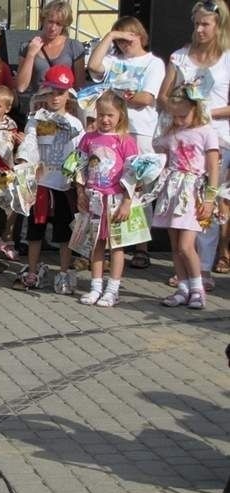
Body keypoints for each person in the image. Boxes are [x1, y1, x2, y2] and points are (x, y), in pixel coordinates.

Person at [157, 0, 230, 291]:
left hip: (217, 139)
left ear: (218, 25)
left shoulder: (227, 58)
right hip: (183, 142)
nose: (199, 29)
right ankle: (185, 270)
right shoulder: (180, 57)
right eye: (196, 23)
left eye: (205, 24)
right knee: (182, 203)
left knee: (206, 204)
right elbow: (163, 96)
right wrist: (180, 112)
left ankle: (203, 268)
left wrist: (203, 114)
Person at [87, 15, 166, 270]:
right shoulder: (114, 61)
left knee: (138, 188)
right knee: (109, 184)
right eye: (118, 40)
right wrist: (110, 37)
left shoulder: (153, 63)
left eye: (126, 39)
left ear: (138, 36)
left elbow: (145, 97)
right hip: (112, 132)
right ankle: (110, 243)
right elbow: (94, 65)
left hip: (139, 130)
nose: (123, 45)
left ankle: (141, 247)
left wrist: (117, 96)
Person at [12, 65, 84, 292]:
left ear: (68, 94)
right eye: (51, 92)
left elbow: (79, 153)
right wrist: (25, 163)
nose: (55, 97)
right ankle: (32, 271)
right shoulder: (36, 119)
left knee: (64, 232)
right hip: (41, 183)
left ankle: (63, 272)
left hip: (63, 185)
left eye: (60, 93)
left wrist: (78, 179)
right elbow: (30, 143)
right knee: (36, 230)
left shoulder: (75, 123)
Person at [153, 86, 219, 309]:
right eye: (175, 115)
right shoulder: (171, 133)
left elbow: (213, 168)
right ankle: (182, 287)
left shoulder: (206, 131)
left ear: (195, 108)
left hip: (192, 192)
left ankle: (198, 287)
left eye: (183, 115)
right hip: (172, 190)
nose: (179, 120)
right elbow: (160, 155)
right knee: (175, 244)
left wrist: (210, 199)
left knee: (186, 245)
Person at [72, 91, 138, 307]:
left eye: (110, 115)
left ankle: (113, 289)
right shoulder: (88, 138)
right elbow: (79, 166)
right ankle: (95, 287)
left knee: (117, 245)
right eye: (101, 114)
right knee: (96, 244)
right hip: (94, 199)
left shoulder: (125, 140)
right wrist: (80, 192)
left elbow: (133, 173)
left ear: (121, 115)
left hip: (115, 199)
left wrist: (127, 202)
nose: (105, 119)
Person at [15, 1, 85, 116]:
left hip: (64, 108)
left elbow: (80, 86)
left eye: (58, 24)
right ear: (43, 20)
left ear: (64, 25)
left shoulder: (74, 46)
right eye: (50, 22)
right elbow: (21, 86)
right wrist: (31, 54)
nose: (53, 28)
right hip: (39, 107)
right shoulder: (28, 46)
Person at [0, 84, 21, 261]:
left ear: (7, 108)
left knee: (10, 206)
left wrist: (19, 142)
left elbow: (11, 150)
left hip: (3, 172)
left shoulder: (11, 125)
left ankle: (5, 238)